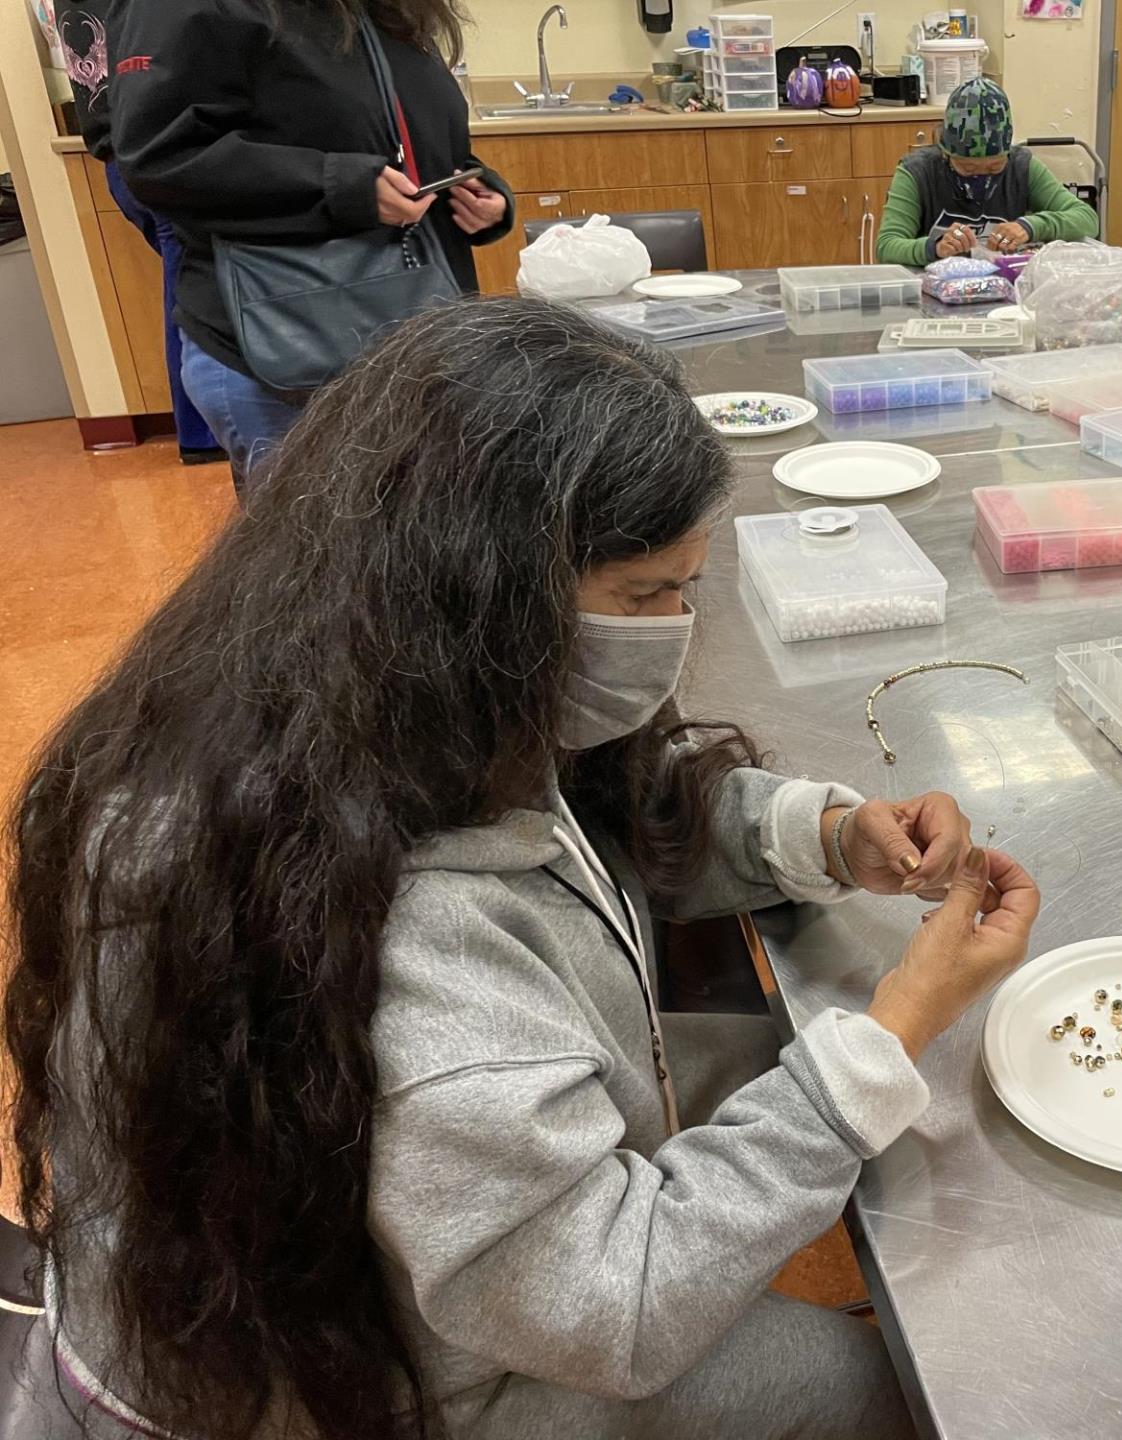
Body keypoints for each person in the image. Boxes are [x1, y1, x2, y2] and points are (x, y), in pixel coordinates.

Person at [6, 299, 1041, 1440]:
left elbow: (597, 813)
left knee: (765, 1054)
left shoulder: (350, 687)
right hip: (325, 1393)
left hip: (363, 1263)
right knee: (838, 1384)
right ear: (484, 595)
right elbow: (613, 1305)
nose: (678, 628)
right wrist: (892, 1030)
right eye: (648, 596)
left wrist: (827, 836)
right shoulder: (401, 939)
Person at [106, 0, 516, 484]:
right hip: (281, 357)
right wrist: (338, 186)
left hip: (412, 344)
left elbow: (400, 140)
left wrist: (479, 189)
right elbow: (160, 159)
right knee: (323, 554)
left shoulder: (385, 12)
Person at [53, 0, 222, 464]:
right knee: (192, 289)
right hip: (147, 156)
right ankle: (201, 436)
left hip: (121, 157)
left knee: (190, 286)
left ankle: (202, 431)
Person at [875, 77, 1099, 266]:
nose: (981, 177)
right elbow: (887, 245)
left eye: (994, 167)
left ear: (1007, 153)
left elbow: (1086, 218)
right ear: (946, 154)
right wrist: (933, 246)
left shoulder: (1022, 167)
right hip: (933, 291)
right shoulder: (918, 172)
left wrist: (1030, 226)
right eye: (968, 168)